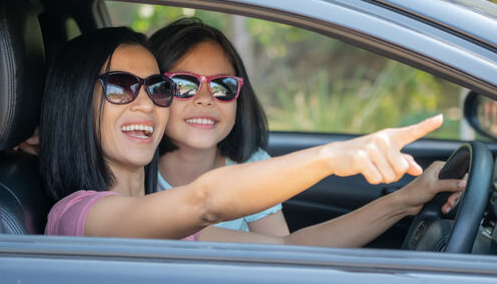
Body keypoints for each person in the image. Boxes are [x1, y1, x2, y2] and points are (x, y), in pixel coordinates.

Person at [40, 26, 465, 246]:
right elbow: (204, 200)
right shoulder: (79, 216)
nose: (146, 104)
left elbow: (288, 253)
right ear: (75, 104)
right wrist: (333, 156)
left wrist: (402, 202)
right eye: (120, 87)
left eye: (157, 88)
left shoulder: (159, 216)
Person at [149, 18, 288, 236]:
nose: (205, 99)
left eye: (223, 86)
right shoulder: (135, 171)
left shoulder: (250, 169)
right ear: (153, 91)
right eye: (184, 84)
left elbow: (283, 255)